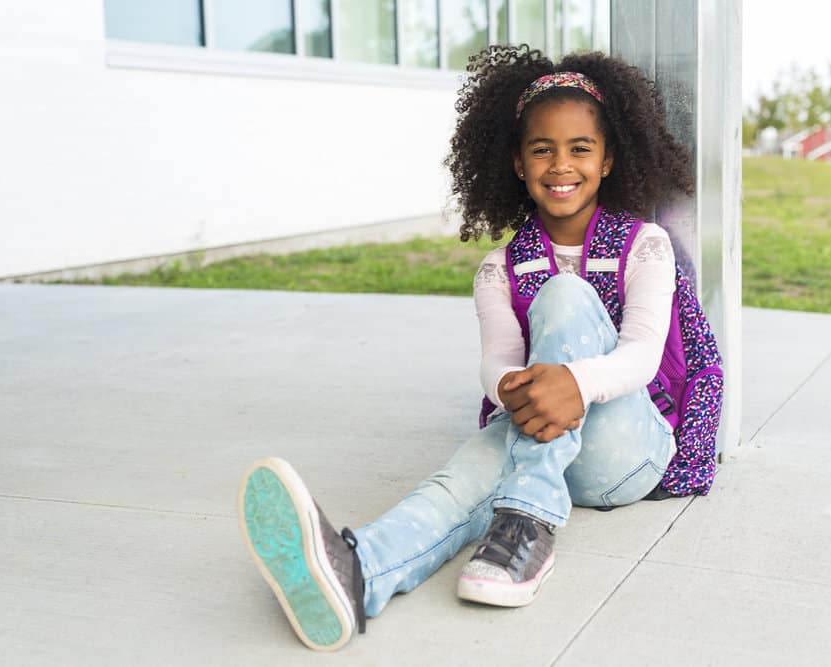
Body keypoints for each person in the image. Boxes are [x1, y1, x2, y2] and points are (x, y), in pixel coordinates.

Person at [237, 45, 722, 652]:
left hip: (630, 447)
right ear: (518, 163)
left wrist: (571, 383)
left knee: (565, 297)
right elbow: (496, 362)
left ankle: (526, 521)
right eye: (541, 148)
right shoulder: (499, 269)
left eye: (580, 148)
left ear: (608, 159)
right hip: (549, 447)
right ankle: (358, 573)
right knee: (463, 475)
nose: (560, 164)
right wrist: (515, 388)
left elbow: (644, 355)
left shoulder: (645, 245)